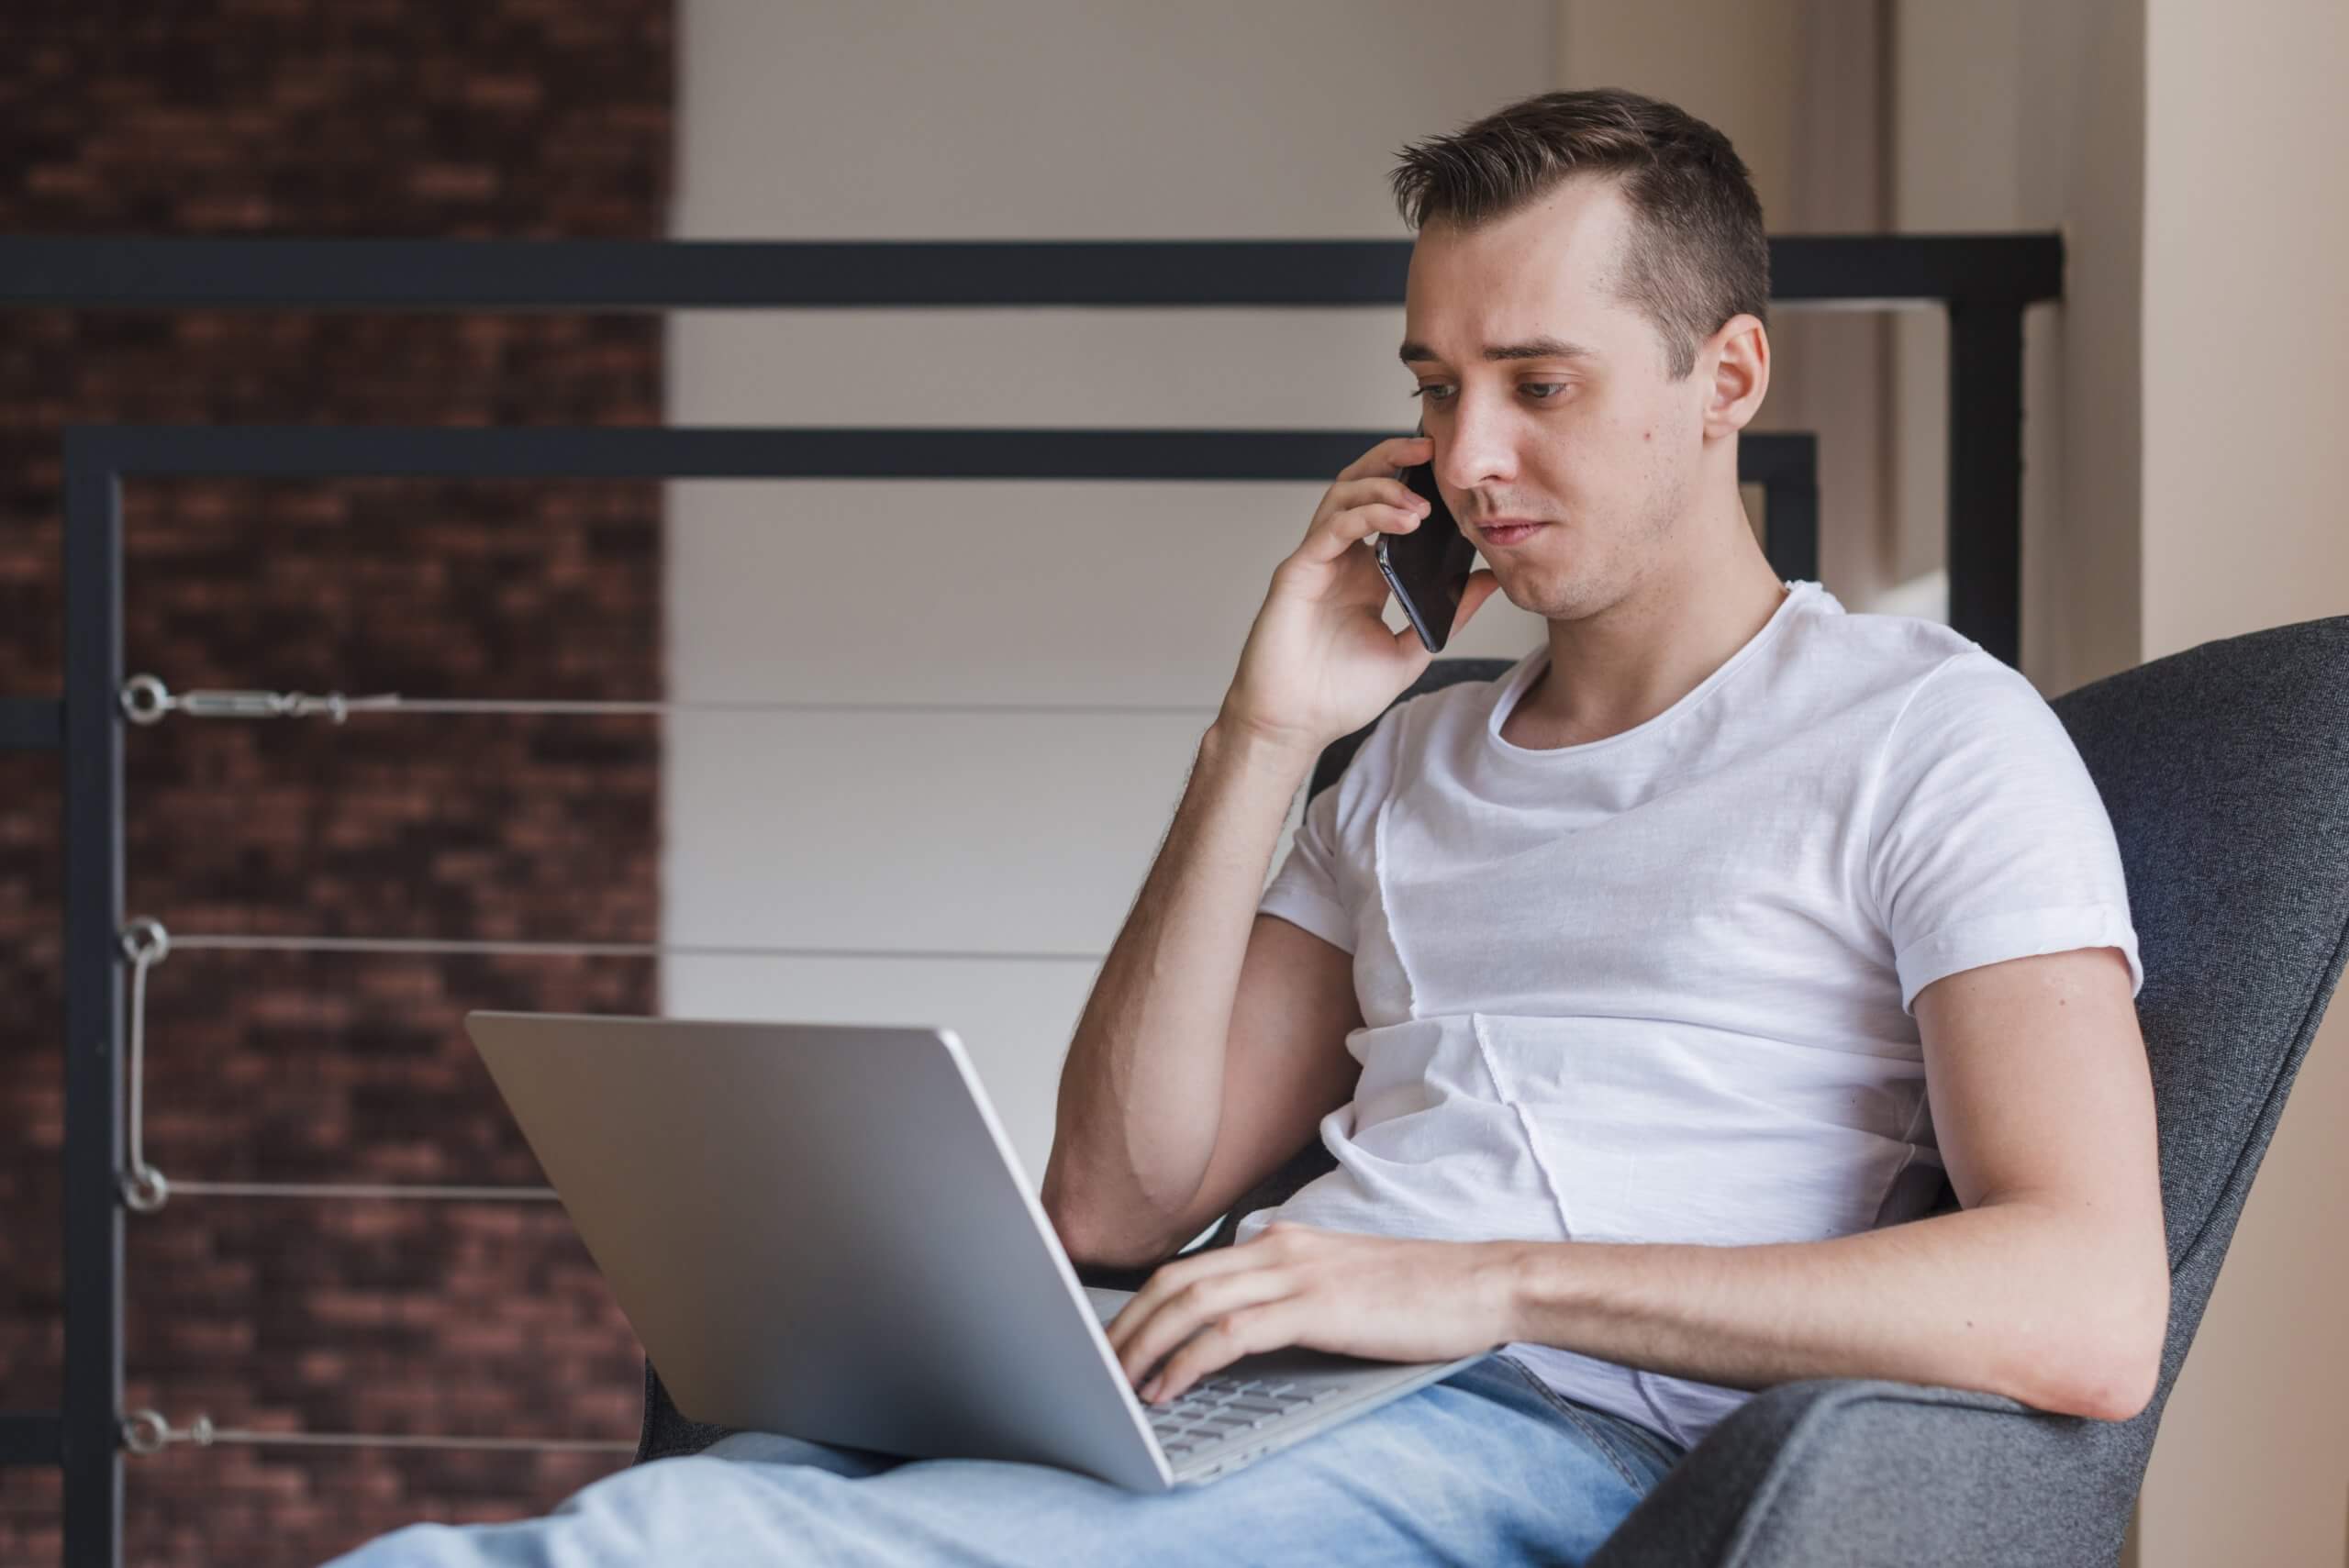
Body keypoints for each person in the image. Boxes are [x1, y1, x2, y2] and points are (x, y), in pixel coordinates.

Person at [327, 85, 2167, 1568]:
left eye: (1540, 384)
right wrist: (1263, 728)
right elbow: (1119, 1196)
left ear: (1728, 381)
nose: (1464, 459)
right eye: (1435, 388)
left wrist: (1469, 1281)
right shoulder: (1416, 768)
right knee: (719, 1499)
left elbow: (2085, 1300)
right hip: (1266, 1383)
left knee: (672, 1550)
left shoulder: (1926, 736)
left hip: (1552, 1449)